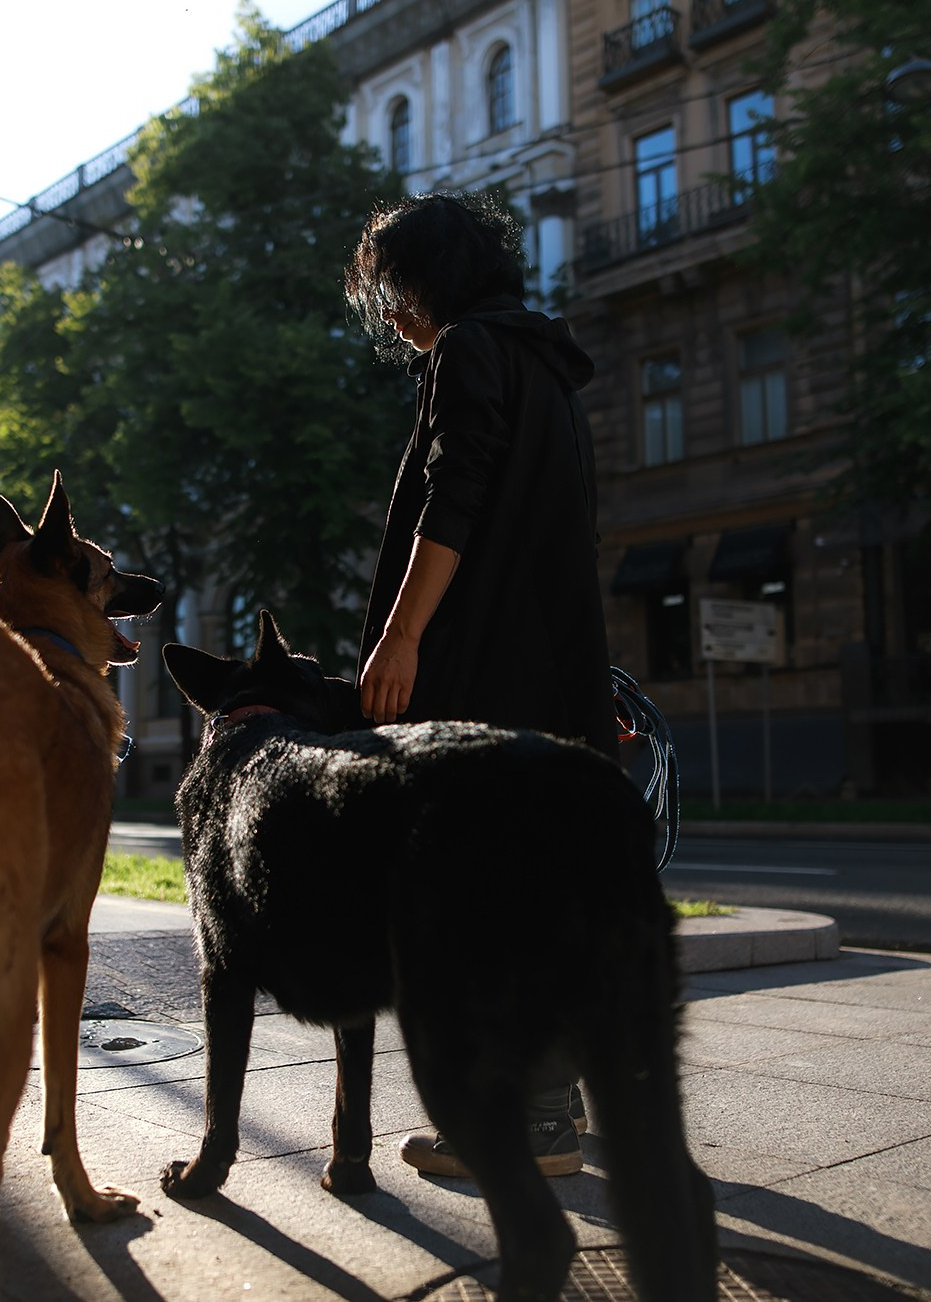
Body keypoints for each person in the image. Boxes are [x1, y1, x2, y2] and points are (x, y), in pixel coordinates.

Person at [344, 191, 618, 1178]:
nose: (387, 316)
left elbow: (454, 496)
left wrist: (400, 635)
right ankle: (554, 1111)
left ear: (422, 280)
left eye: (388, 292)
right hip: (549, 677)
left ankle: (525, 1124)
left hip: (481, 675)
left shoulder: (466, 351)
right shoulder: (548, 367)